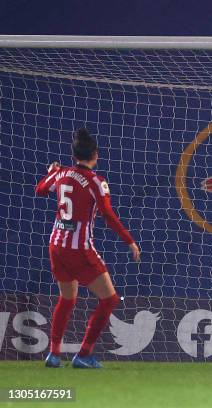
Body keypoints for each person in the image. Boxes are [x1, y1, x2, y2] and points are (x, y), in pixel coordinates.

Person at [35, 128, 140, 368]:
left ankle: (54, 354)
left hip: (56, 245)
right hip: (79, 249)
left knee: (67, 299)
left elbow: (40, 190)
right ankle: (83, 354)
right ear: (95, 154)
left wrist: (51, 171)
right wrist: (129, 240)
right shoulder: (96, 181)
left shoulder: (61, 173)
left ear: (74, 155)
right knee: (110, 299)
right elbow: (107, 214)